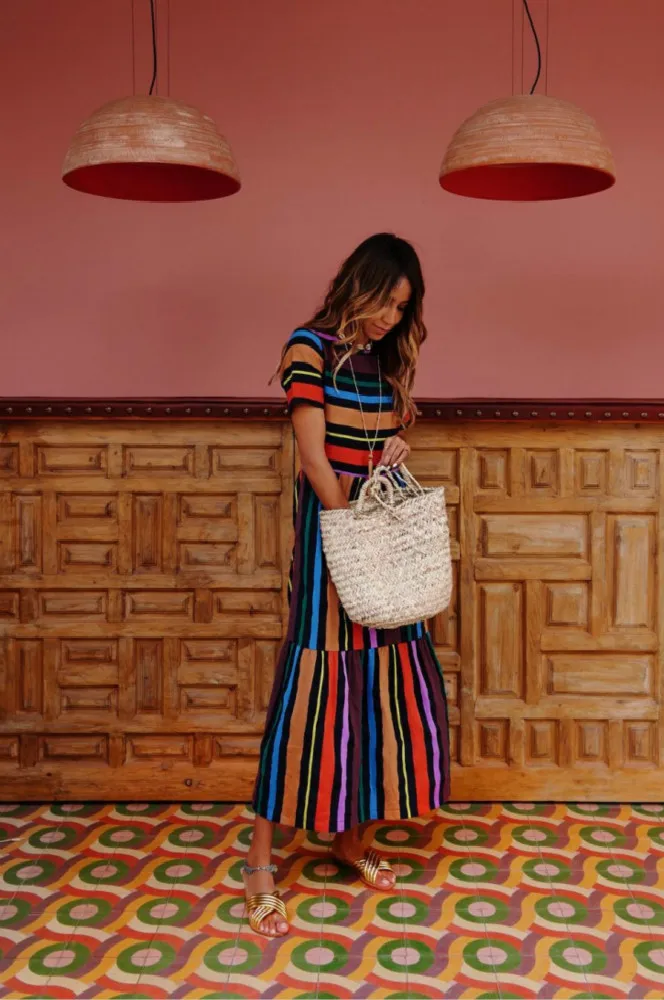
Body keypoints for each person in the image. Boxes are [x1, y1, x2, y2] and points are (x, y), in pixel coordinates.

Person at [243, 233, 451, 937]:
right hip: (337, 541)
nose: (392, 318)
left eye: (402, 308)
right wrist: (348, 542)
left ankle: (349, 838)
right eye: (386, 302)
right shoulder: (307, 349)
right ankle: (260, 863)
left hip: (379, 545)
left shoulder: (383, 363)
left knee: (377, 686)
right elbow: (314, 460)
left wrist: (396, 448)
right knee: (310, 690)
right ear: (359, 286)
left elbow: (372, 449)